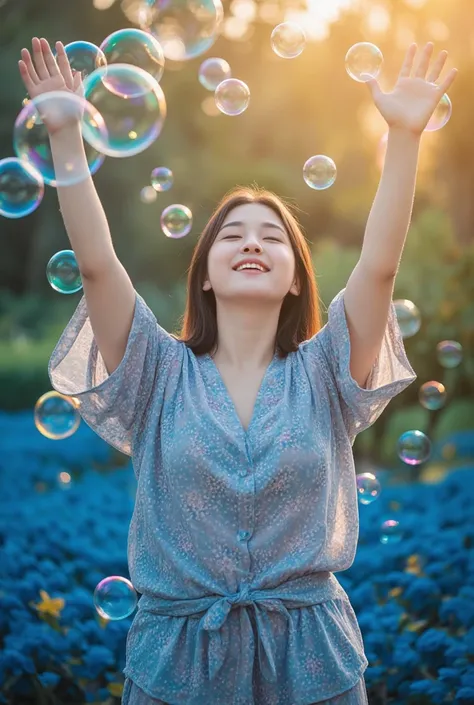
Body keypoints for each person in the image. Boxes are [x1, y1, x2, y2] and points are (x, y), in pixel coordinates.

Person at [19, 37, 457, 705]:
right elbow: (100, 266)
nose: (252, 240)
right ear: (204, 277)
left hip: (314, 661)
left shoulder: (328, 370)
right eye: (232, 234)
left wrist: (402, 136)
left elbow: (378, 267)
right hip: (177, 665)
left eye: (273, 235)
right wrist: (66, 135)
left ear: (293, 280)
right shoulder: (155, 370)